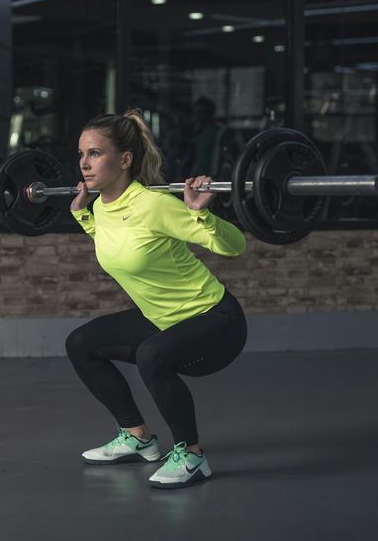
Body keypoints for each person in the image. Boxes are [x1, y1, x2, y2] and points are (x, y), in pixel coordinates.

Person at [66, 108, 247, 490]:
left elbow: (234, 247)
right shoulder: (101, 207)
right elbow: (118, 245)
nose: (84, 163)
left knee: (152, 353)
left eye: (95, 153)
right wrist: (84, 217)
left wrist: (201, 215)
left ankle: (192, 456)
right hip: (162, 317)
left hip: (215, 320)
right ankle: (137, 437)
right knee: (81, 344)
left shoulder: (155, 205)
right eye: (81, 154)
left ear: (125, 160)